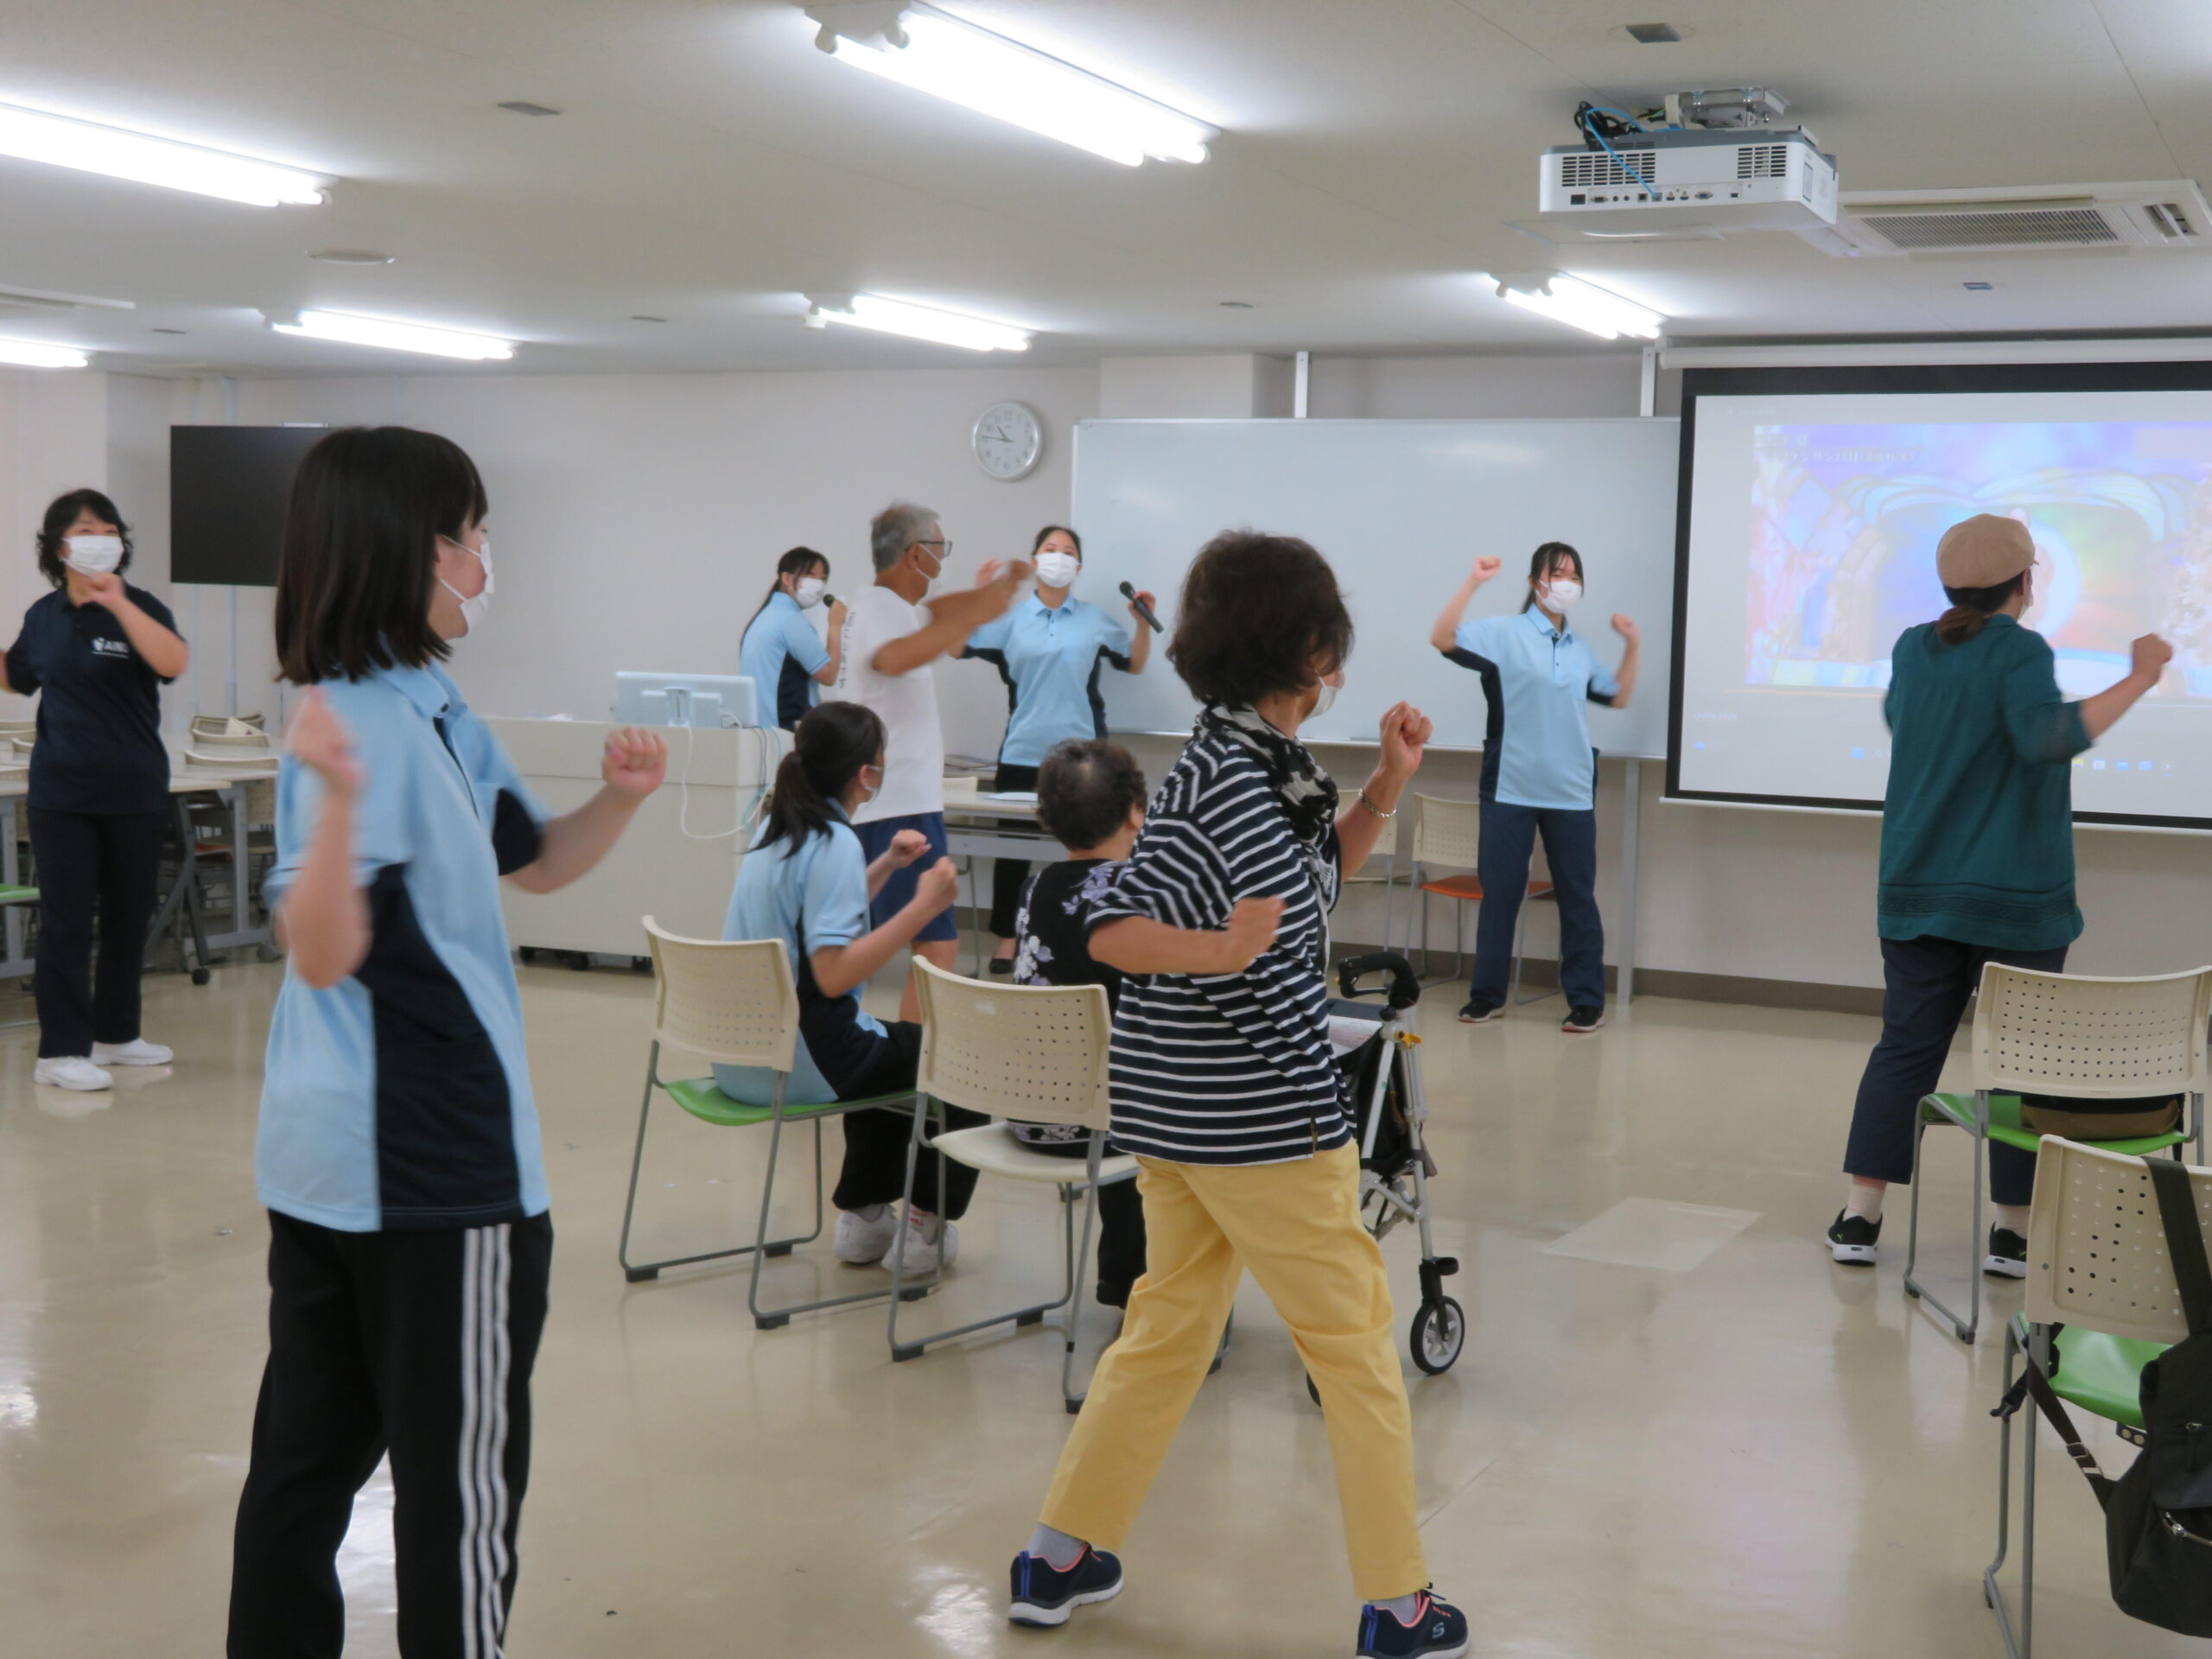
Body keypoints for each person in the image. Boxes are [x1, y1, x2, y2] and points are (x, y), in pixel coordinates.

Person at [228, 426, 669, 1659]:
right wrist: (333, 811)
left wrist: (620, 802)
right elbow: (320, 948)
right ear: (417, 552)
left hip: (331, 1161)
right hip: (436, 1171)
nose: (484, 560)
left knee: (301, 1478)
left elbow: (529, 862)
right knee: (459, 1495)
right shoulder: (345, 723)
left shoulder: (432, 703)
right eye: (472, 538)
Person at [1009, 531, 1468, 1659]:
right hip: (1261, 1123)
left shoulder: (1232, 760)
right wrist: (1220, 954)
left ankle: (1060, 1555)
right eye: (1331, 646)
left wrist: (1384, 791)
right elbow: (1116, 928)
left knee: (1165, 1330)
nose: (1340, 668)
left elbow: (1305, 888)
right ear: (1306, 649)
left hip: (1172, 1115)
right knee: (1355, 1351)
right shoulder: (1243, 779)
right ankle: (1399, 1606)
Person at [1827, 512, 2170, 1274]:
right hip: (2016, 898)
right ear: (2026, 581)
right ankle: (2011, 1233)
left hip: (1915, 886)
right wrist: (2142, 676)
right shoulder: (2019, 649)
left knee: (1905, 1050)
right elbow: (2050, 737)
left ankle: (1860, 1217)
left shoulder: (1913, 647)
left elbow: (1900, 718)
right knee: (2021, 1062)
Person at [712, 699, 981, 1274]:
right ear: (867, 774)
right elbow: (835, 975)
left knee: (895, 1050)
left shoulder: (775, 829)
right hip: (802, 1062)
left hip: (741, 1057)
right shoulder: (833, 842)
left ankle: (864, 1220)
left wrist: (885, 864)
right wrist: (923, 907)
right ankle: (925, 1225)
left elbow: (818, 911)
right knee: (960, 1059)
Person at [3, 488, 190, 1093]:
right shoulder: (44, 615)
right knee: (66, 921)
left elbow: (173, 662)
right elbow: (16, 676)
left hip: (136, 787)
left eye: (110, 529)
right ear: (60, 546)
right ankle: (60, 1051)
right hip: (63, 794)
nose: (101, 537)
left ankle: (116, 1035)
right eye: (88, 529)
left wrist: (119, 603)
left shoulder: (143, 606)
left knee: (128, 919)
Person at [1427, 541, 1638, 1034]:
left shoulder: (1580, 648)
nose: (1566, 583)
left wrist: (1632, 645)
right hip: (1510, 785)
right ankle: (1487, 996)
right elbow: (1442, 637)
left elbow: (1619, 695)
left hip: (1570, 790)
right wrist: (1474, 582)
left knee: (1577, 898)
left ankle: (1586, 1000)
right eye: (1557, 574)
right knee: (1500, 893)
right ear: (1535, 582)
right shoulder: (1504, 633)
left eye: (1573, 576)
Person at [833, 500, 1027, 1020]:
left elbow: (940, 635)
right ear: (916, 554)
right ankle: (911, 1073)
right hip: (896, 808)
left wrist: (986, 600)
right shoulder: (881, 609)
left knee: (907, 945)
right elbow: (893, 658)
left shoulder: (885, 608)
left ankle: (905, 1066)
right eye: (940, 550)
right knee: (937, 947)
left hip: (894, 801)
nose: (943, 560)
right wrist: (985, 602)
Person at [963, 525, 1154, 974]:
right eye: (1050, 549)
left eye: (1068, 552)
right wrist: (978, 600)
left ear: (1079, 567)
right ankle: (1008, 940)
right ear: (1034, 560)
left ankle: (1099, 929)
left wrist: (1142, 622)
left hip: (1086, 757)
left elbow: (1136, 662)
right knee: (1013, 853)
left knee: (1098, 846)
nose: (1059, 557)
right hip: (1023, 750)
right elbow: (958, 644)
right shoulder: (1010, 620)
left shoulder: (1095, 619)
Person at [1007, 737, 1150, 1306]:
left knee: (1108, 1070)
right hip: (1104, 1126)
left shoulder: (1036, 886)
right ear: (1137, 811)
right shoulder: (1136, 892)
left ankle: (1125, 1277)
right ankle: (1147, 1284)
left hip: (1033, 1113)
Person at [739, 546, 846, 732]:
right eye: (811, 575)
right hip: (785, 730)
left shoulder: (764, 617)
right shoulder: (790, 621)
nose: (819, 584)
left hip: (760, 731)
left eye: (823, 578)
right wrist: (835, 626)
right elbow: (828, 675)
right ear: (787, 578)